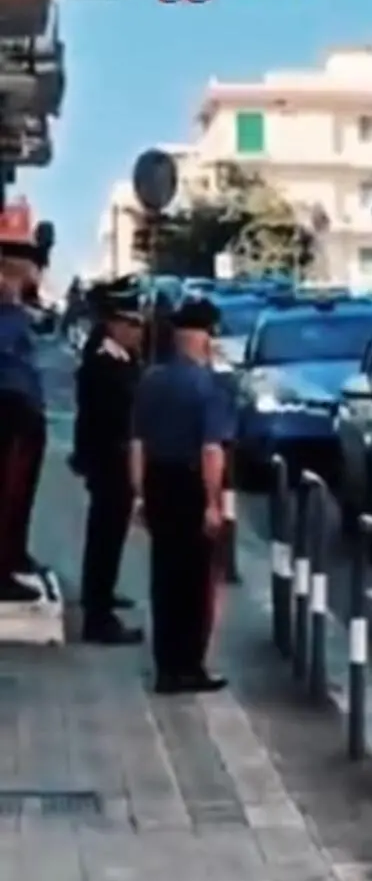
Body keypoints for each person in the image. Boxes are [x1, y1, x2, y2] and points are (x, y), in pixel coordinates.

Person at [130, 295, 229, 694]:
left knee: (164, 577)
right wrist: (212, 502)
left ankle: (166, 667)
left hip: (157, 481)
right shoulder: (208, 386)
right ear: (206, 339)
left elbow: (136, 442)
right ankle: (190, 666)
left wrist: (139, 495)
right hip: (191, 485)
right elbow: (211, 450)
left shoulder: (151, 380)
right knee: (195, 582)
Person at [72, 290, 146, 644]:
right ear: (114, 324)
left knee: (109, 535)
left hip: (109, 459)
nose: (138, 332)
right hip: (110, 460)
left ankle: (100, 596)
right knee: (106, 535)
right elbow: (110, 418)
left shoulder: (121, 358)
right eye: (131, 324)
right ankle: (98, 616)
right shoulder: (105, 362)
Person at [0, 241, 49, 602]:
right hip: (8, 411)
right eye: (34, 266)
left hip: (22, 411)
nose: (38, 274)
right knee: (7, 492)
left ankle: (13, 554)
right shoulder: (4, 311)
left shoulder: (17, 310)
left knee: (18, 493)